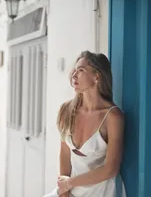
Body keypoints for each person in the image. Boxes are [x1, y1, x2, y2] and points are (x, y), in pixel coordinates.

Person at [43, 51, 126, 197]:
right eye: (74, 70)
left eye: (80, 70)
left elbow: (111, 169)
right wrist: (64, 192)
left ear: (96, 76)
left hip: (101, 192)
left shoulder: (113, 116)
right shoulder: (67, 111)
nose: (74, 75)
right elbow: (64, 154)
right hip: (70, 191)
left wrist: (70, 183)